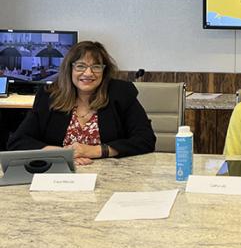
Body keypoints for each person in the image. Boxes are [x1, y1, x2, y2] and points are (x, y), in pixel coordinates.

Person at [8, 41, 156, 164]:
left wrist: (96, 151)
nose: (88, 73)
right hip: (60, 175)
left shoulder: (121, 93)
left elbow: (146, 140)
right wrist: (60, 154)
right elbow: (18, 142)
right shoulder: (49, 96)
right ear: (69, 69)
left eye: (96, 67)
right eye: (80, 66)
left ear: (104, 71)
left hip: (110, 176)